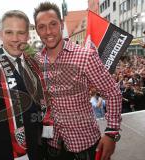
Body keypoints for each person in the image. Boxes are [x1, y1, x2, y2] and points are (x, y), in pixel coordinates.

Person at [33, 2, 122, 160]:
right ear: (37, 30)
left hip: (84, 146)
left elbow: (112, 92)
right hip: (52, 146)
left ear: (61, 24)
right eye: (42, 27)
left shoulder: (85, 56)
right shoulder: (37, 60)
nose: (48, 31)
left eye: (53, 24)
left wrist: (111, 132)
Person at [0, 10, 51, 160]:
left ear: (27, 35)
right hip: (3, 154)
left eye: (20, 33)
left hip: (37, 151)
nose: (15, 39)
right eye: (9, 32)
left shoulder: (34, 63)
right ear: (0, 34)